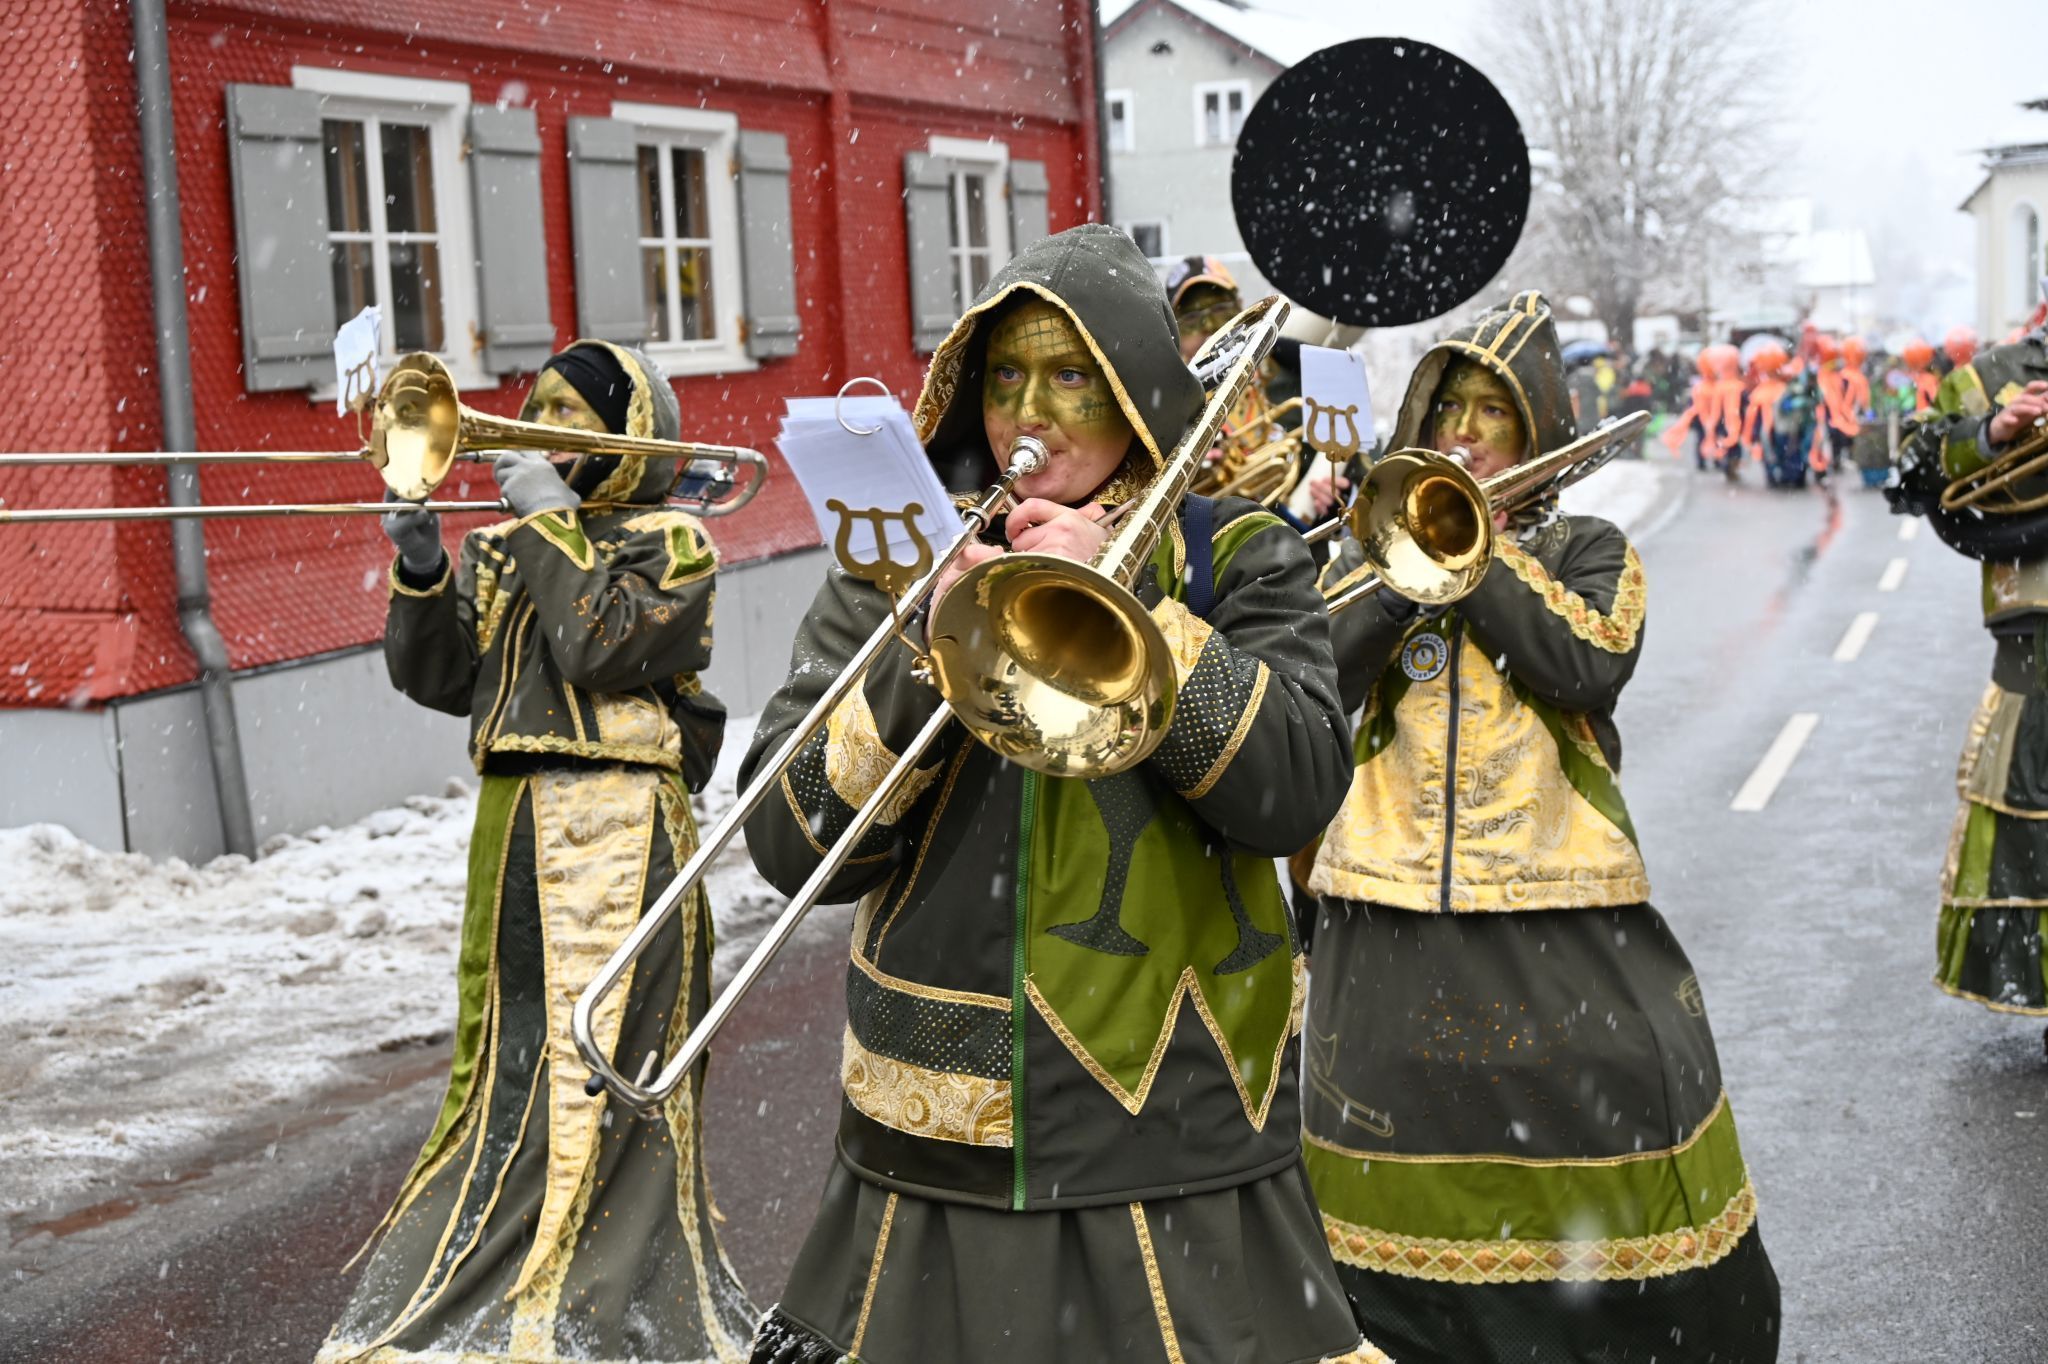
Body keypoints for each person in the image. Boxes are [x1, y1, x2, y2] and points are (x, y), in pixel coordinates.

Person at [741, 225, 1389, 1364]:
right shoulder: (897, 562)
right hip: (929, 1146)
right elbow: (790, 849)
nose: (1024, 415)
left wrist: (1130, 605)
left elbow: (1295, 788)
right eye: (1002, 378)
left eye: (1067, 374)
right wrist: (917, 642)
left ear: (1135, 388)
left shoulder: (1235, 552)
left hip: (1169, 1139)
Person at [1301, 291, 1781, 1362]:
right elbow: (1316, 671)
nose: (1462, 436)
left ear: (1539, 432)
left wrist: (1468, 551)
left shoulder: (1590, 546)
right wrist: (1395, 555)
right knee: (1381, 1149)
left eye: (1492, 414)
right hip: (1382, 902)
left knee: (1603, 1120)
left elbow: (1585, 659)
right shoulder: (1366, 542)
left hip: (1557, 901)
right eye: (1447, 412)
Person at [324, 341, 755, 1363]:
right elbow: (442, 679)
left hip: (617, 823)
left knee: (605, 1058)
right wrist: (423, 564)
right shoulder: (512, 542)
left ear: (622, 435)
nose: (535, 425)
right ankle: (498, 1273)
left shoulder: (673, 537)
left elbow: (607, 645)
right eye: (533, 406)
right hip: (515, 819)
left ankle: (597, 1292)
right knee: (516, 1062)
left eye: (568, 414)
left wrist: (552, 525)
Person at [1896, 325, 2048, 1030]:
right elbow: (1910, 471)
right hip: (2034, 626)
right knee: (2031, 815)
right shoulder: (1995, 372)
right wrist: (1994, 430)